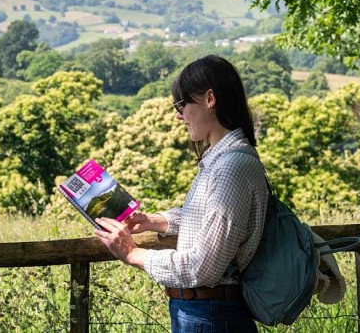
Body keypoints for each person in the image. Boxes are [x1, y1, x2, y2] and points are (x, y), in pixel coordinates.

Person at [95, 54, 270, 332]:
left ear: (210, 99)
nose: (179, 116)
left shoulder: (232, 166)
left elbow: (204, 267)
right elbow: (209, 218)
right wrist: (155, 221)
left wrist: (133, 253)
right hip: (206, 312)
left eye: (181, 104)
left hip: (211, 315)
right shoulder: (221, 159)